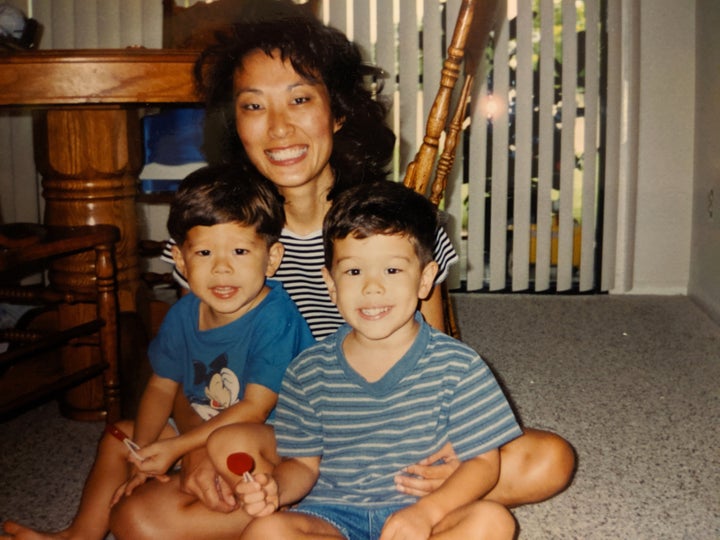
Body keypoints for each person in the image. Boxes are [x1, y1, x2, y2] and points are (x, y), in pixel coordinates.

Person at [110, 6, 574, 539]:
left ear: (338, 112)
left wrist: (453, 453)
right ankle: (310, 513)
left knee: (549, 460)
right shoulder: (222, 239)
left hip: (398, 440)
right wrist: (195, 454)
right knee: (137, 521)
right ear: (235, 124)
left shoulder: (389, 227)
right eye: (254, 106)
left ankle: (377, 511)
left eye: (301, 99)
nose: (279, 126)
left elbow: (437, 353)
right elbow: (187, 364)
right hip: (282, 442)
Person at [0, 164, 314, 540]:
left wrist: (177, 447)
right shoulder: (182, 314)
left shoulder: (276, 317)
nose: (222, 268)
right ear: (181, 261)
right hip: (201, 429)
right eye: (204, 252)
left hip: (270, 448)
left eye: (241, 250)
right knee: (121, 434)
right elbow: (162, 388)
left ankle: (279, 507)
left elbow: (255, 409)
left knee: (218, 456)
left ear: (272, 257)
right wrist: (144, 456)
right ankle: (78, 535)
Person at [211, 180, 521, 540]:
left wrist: (425, 514)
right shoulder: (307, 370)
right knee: (267, 530)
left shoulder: (460, 366)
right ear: (330, 284)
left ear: (424, 280)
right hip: (331, 516)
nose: (372, 287)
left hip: (426, 514)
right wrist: (276, 487)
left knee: (492, 521)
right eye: (354, 272)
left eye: (392, 270)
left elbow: (483, 463)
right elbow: (302, 464)